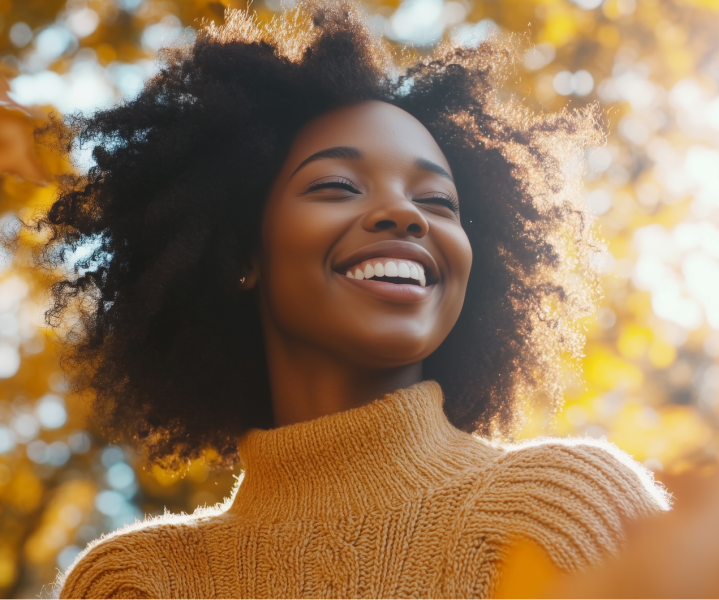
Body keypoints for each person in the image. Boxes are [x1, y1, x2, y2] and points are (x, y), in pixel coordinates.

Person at [45, 2, 673, 598]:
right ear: (241, 253)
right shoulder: (134, 583)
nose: (404, 213)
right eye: (338, 185)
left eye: (437, 201)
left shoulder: (564, 509)